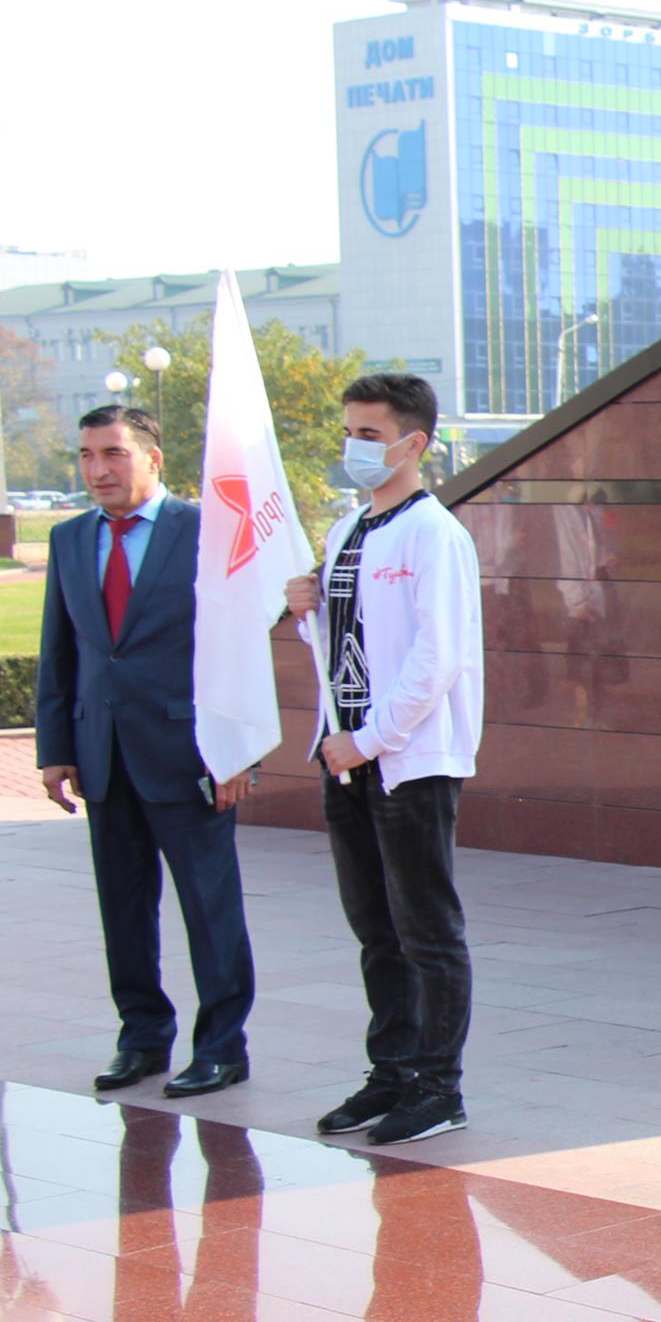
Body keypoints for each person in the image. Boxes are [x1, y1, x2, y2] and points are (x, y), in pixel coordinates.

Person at [280, 373, 484, 1148]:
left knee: (427, 929)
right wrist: (307, 612)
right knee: (376, 928)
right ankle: (391, 1070)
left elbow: (438, 658)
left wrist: (367, 741)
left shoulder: (436, 534)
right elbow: (344, 649)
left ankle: (440, 1086)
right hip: (347, 758)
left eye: (369, 435)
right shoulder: (345, 532)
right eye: (349, 433)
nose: (353, 448)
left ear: (412, 443)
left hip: (410, 761)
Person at [32, 406, 256, 1099]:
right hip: (102, 755)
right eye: (87, 455)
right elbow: (59, 649)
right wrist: (56, 747)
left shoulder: (206, 531)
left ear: (152, 458)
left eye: (113, 453)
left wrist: (236, 749)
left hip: (188, 755)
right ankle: (142, 1039)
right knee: (124, 909)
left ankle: (222, 1047)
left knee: (208, 907)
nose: (98, 469)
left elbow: (238, 646)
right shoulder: (70, 539)